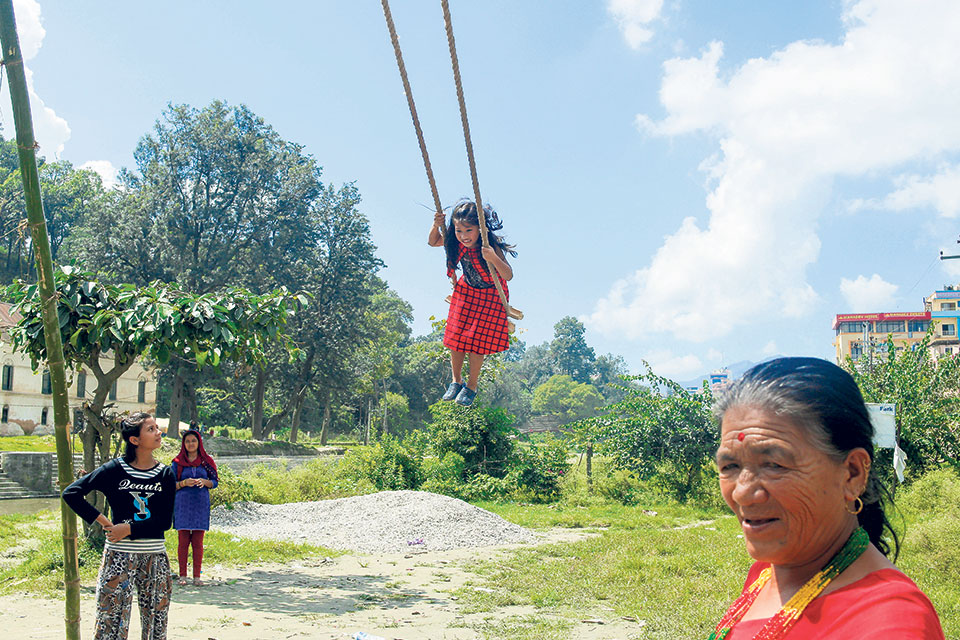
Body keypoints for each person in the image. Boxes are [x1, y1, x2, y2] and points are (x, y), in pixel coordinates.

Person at [710, 357, 944, 639]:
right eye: (730, 467)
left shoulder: (891, 622)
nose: (742, 492)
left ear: (853, 474)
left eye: (775, 465)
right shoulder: (767, 574)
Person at [62, 412, 175, 640]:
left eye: (156, 428)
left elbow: (164, 522)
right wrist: (105, 522)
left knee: (156, 623)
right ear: (135, 440)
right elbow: (71, 493)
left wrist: (129, 528)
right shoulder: (114, 470)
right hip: (118, 557)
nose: (158, 432)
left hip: (155, 558)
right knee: (110, 622)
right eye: (151, 429)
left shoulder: (165, 474)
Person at [428, 200, 516, 407]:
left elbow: (508, 275)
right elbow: (433, 242)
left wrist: (493, 258)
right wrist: (435, 224)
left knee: (478, 342)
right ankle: (456, 380)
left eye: (469, 230)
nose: (464, 235)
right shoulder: (455, 241)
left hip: (490, 294)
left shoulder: (489, 246)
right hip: (466, 290)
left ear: (481, 229)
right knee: (456, 337)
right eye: (459, 230)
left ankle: (471, 385)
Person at [171, 427, 218, 586]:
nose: (191, 444)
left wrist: (205, 482)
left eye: (193, 441)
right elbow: (170, 485)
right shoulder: (177, 463)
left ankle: (197, 576)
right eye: (187, 441)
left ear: (199, 443)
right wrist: (184, 483)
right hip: (183, 505)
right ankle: (183, 575)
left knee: (198, 542)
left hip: (200, 504)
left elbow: (215, 482)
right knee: (183, 542)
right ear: (183, 444)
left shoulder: (207, 461)